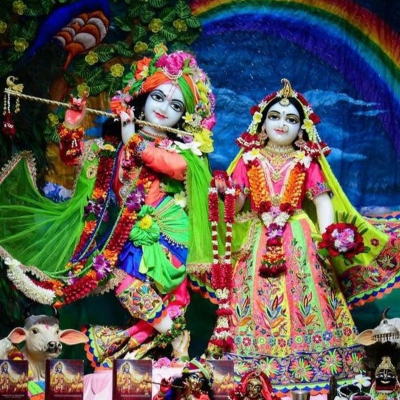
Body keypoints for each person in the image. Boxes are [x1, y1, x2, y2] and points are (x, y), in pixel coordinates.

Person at [0, 45, 216, 364]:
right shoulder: (114, 144)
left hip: (164, 234)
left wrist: (134, 140)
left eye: (175, 105)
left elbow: (171, 165)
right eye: (158, 97)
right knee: (128, 291)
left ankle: (175, 341)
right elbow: (75, 159)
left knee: (140, 291)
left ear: (183, 116)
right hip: (123, 232)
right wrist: (73, 125)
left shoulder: (183, 151)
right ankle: (169, 344)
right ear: (143, 98)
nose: (163, 109)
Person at [211, 79, 400, 395]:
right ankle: (251, 369)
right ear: (261, 123)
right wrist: (225, 191)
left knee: (308, 296)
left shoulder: (306, 160)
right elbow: (238, 204)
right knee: (252, 298)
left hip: (299, 239)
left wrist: (331, 236)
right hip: (258, 237)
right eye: (274, 116)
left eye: (291, 119)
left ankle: (315, 367)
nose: (282, 124)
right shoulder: (248, 159)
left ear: (302, 129)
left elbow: (323, 201)